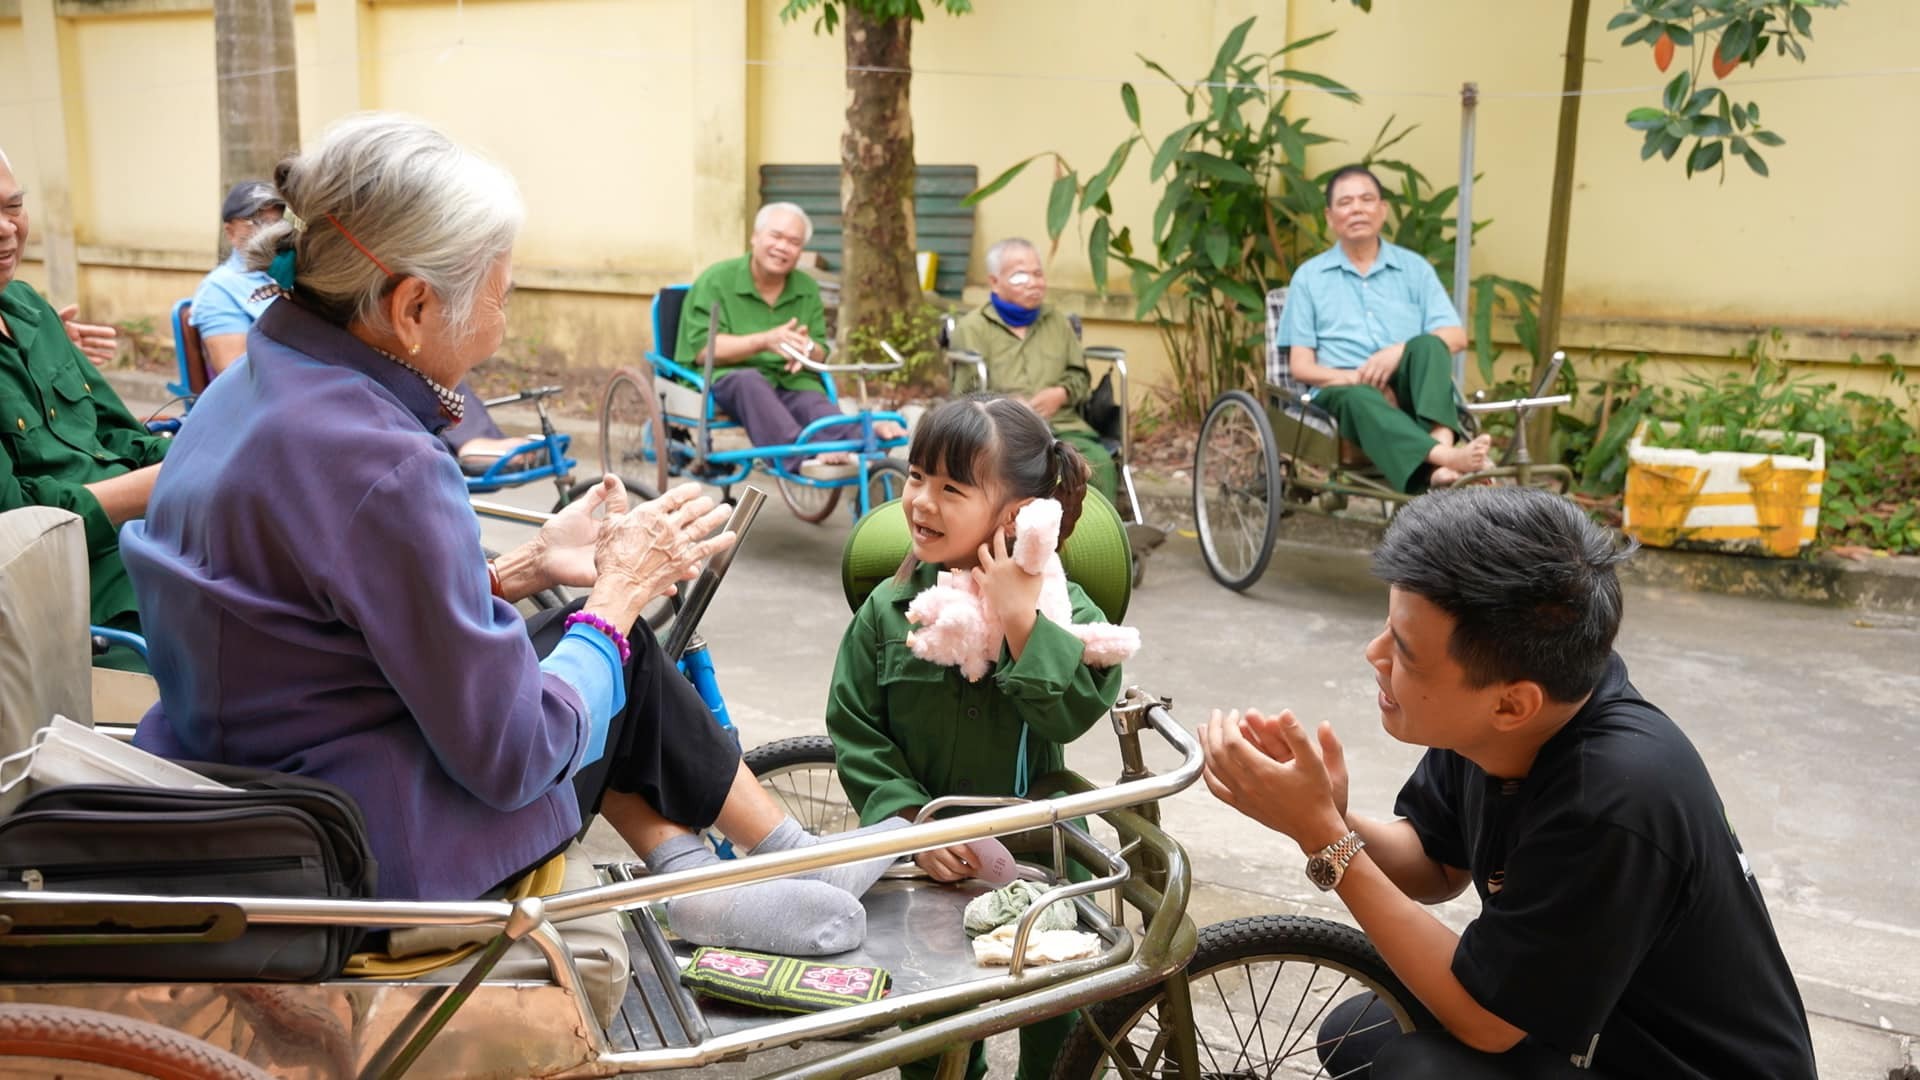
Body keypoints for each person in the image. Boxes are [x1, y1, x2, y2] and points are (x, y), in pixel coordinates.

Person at [119, 114, 909, 959]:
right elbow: (516, 753)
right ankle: (746, 865)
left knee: (602, 641)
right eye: (501, 293)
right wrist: (615, 595)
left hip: (262, 775)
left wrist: (530, 568)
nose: (502, 318)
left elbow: (319, 615)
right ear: (413, 306)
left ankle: (716, 871)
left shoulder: (246, 391)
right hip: (356, 839)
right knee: (607, 645)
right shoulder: (382, 460)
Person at [1199, 486, 1817, 1079]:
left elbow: (1491, 1023)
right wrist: (1328, 816)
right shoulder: (1518, 720)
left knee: (1414, 1069)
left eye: (1406, 651)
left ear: (1511, 704)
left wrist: (1322, 839)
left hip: (1678, 1066)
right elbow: (1434, 866)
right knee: (1358, 1034)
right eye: (1386, 626)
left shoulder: (1613, 800)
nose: (1373, 653)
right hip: (1589, 1030)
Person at [825, 394, 1125, 1080]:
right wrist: (907, 825)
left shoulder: (1068, 612)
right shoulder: (890, 609)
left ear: (1017, 516)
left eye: (951, 487)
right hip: (926, 865)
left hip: (1040, 862)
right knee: (930, 1032)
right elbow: (854, 726)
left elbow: (1073, 711)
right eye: (915, 477)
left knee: (1058, 1021)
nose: (922, 502)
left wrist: (1023, 623)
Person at [189, 179, 534, 472]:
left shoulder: (289, 327)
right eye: (499, 299)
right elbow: (236, 365)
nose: (268, 227)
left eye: (275, 217)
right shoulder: (394, 460)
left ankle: (475, 438)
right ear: (412, 306)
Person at [0, 144, 168, 670]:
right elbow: (15, 531)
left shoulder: (27, 307)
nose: (6, 228)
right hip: (79, 600)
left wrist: (194, 455)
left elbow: (118, 432)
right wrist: (154, 486)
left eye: (12, 207)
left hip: (159, 539)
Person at [1276, 166, 1490, 492]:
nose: (1357, 209)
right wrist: (1359, 378)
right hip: (1344, 392)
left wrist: (1397, 352)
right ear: (1330, 216)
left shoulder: (1414, 269)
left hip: (1408, 390)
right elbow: (1301, 366)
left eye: (1367, 199)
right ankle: (1446, 458)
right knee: (1361, 396)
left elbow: (1457, 337)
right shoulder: (1309, 277)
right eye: (1346, 202)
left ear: (1383, 210)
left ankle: (1440, 450)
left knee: (1429, 344)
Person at [677, 202, 905, 475]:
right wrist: (765, 340)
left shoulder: (806, 288)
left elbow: (820, 349)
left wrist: (808, 350)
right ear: (755, 236)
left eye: (794, 242)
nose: (783, 247)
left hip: (790, 378)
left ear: (801, 251)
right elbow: (704, 349)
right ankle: (805, 454)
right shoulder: (716, 280)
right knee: (750, 382)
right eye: (776, 236)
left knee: (812, 399)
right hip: (731, 378)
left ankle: (862, 432)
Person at [949, 237, 1117, 503]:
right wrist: (1005, 405)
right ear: (995, 282)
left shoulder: (1058, 323)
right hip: (1004, 434)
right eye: (1019, 275)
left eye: (1037, 274)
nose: (1033, 282)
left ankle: (1095, 539)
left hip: (1063, 426)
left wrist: (1061, 393)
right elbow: (963, 396)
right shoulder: (971, 329)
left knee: (1095, 463)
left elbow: (1080, 377)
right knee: (1019, 471)